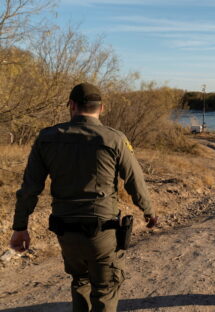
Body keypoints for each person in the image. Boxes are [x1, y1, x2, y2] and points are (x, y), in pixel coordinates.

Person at [9, 82, 158, 312]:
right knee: (106, 286)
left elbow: (29, 188)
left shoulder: (46, 138)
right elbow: (134, 181)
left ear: (71, 105)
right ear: (102, 108)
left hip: (65, 229)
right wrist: (148, 210)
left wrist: (20, 226)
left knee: (80, 280)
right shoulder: (114, 139)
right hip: (102, 230)